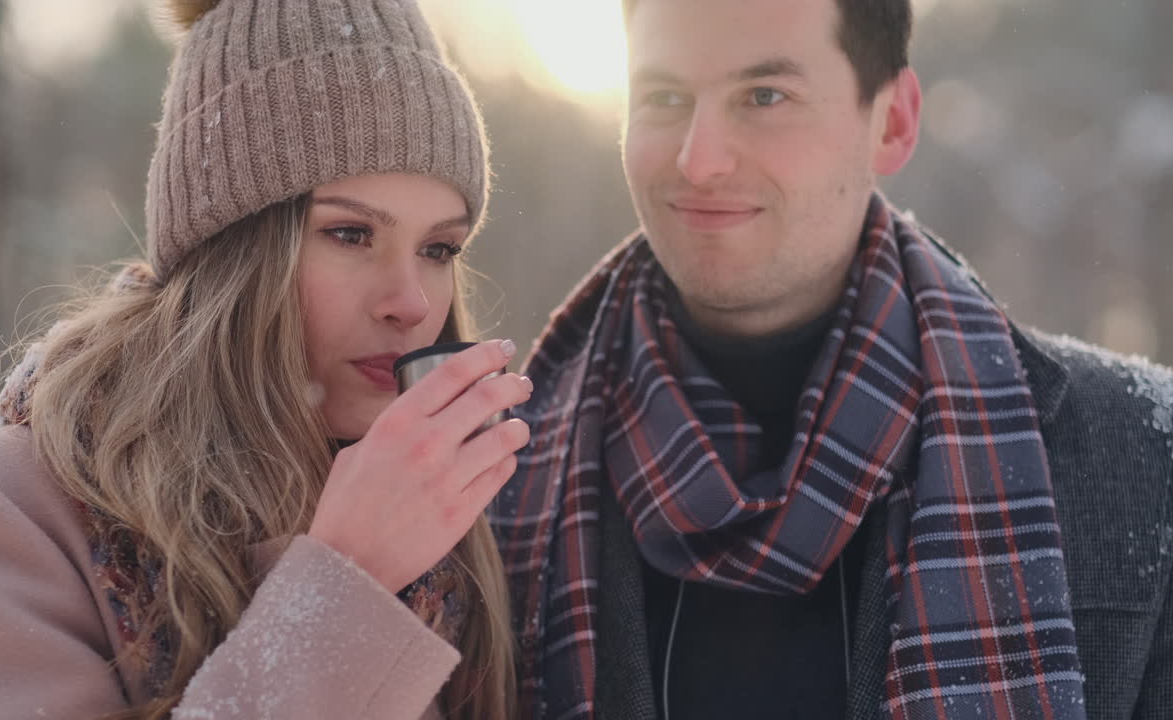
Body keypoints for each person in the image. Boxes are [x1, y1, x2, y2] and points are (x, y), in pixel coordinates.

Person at [493, 0, 1173, 719]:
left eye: (765, 96)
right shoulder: (488, 475)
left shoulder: (1141, 460)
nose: (699, 159)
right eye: (664, 97)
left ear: (893, 122)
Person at [0, 0, 533, 718]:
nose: (411, 302)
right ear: (233, 251)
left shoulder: (471, 521)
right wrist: (346, 581)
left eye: (439, 249)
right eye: (351, 234)